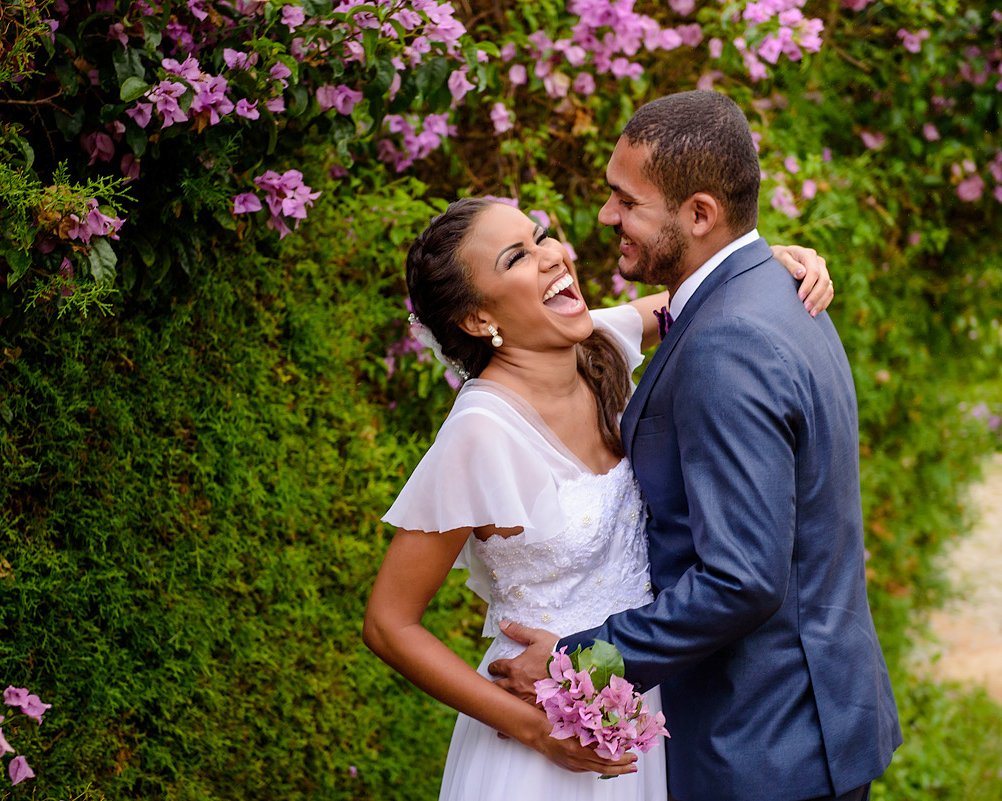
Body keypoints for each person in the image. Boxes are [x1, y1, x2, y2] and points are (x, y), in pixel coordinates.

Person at [489, 91, 902, 801]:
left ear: (701, 214)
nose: (607, 216)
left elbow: (741, 580)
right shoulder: (775, 287)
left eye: (627, 201)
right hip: (808, 724)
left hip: (761, 745)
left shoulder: (728, 342)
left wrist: (575, 663)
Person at [362, 189, 833, 798]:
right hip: (542, 728)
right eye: (517, 257)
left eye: (540, 236)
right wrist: (536, 730)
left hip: (643, 699)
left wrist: (774, 262)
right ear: (478, 320)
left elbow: (707, 292)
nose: (553, 254)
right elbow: (389, 624)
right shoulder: (479, 433)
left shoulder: (597, 344)